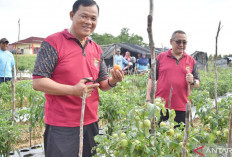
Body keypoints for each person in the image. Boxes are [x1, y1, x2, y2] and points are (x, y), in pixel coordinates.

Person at [32, 0, 124, 156]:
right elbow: (38, 82)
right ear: (72, 15)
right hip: (62, 125)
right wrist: (73, 90)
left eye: (93, 18)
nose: (89, 22)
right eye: (84, 16)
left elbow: (102, 83)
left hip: (91, 122)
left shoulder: (95, 48)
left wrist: (113, 81)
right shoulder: (53, 42)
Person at [146, 30, 200, 127]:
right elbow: (151, 79)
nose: (181, 44)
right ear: (171, 42)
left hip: (182, 107)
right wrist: (148, 99)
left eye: (184, 42)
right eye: (178, 41)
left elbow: (197, 83)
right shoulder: (160, 58)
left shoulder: (191, 61)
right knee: (157, 136)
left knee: (179, 138)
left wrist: (192, 81)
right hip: (161, 106)